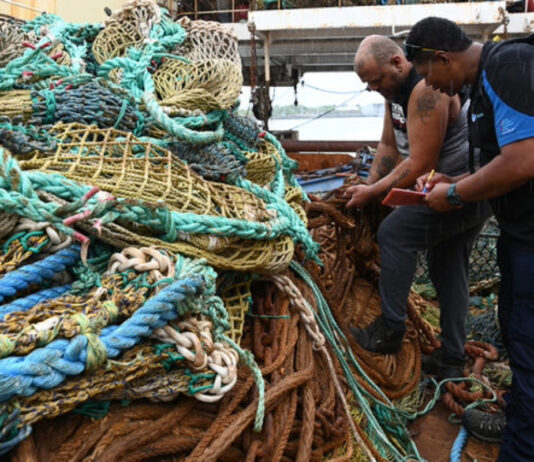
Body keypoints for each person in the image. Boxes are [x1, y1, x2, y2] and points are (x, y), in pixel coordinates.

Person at [405, 17, 534, 460]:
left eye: (427, 75)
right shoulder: (482, 87)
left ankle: (521, 449)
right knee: (519, 337)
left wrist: (456, 194)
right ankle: (520, 415)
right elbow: (500, 163)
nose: (432, 87)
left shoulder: (508, 66)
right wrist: (451, 177)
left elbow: (522, 161)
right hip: (519, 238)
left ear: (442, 58)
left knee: (529, 341)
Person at [345, 36, 491, 379]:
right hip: (453, 186)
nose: (373, 88)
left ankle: (390, 331)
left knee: (394, 233)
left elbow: (420, 161)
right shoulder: (393, 93)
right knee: (447, 264)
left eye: (376, 79)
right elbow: (388, 146)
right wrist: (368, 185)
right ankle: (452, 358)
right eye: (367, 84)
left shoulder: (427, 90)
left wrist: (372, 193)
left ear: (398, 62)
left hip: (467, 186)